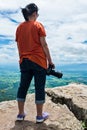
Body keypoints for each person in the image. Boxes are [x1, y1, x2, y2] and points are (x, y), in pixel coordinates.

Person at [15, 3, 55, 123]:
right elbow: (44, 45)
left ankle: (20, 114)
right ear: (34, 14)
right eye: (37, 13)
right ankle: (39, 116)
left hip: (24, 61)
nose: (38, 15)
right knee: (39, 88)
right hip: (38, 61)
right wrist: (50, 61)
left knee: (23, 87)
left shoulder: (19, 28)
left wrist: (22, 58)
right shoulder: (38, 25)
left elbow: (19, 46)